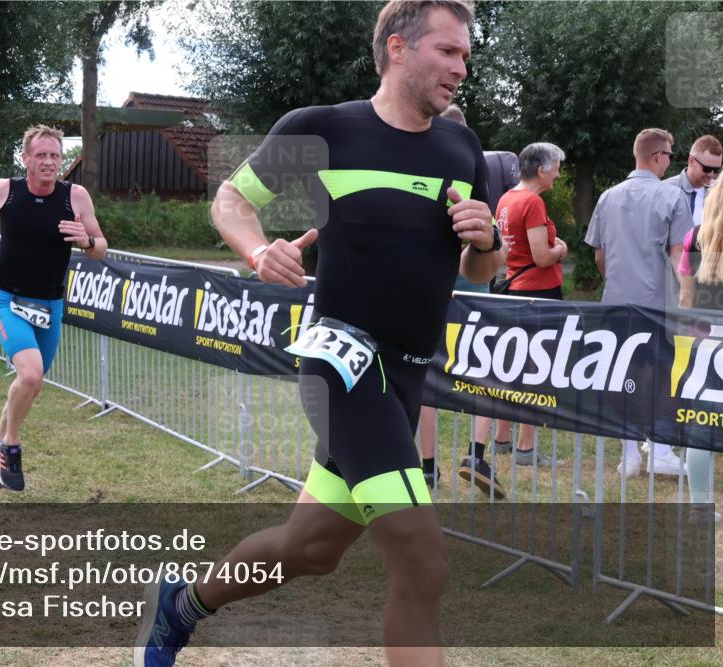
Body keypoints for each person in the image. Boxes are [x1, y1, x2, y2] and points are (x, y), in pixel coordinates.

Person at [135, 2, 503, 665]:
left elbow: (481, 268)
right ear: (398, 47)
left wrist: (487, 241)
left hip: (407, 378)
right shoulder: (325, 129)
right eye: (448, 52)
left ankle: (182, 603)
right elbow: (232, 202)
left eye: (466, 56)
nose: (461, 68)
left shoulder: (462, 147)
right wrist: (258, 251)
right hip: (342, 369)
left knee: (310, 548)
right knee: (421, 560)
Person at [0, 124, 107, 491]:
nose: (49, 162)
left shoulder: (75, 197)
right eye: (41, 155)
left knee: (31, 384)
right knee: (29, 376)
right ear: (25, 158)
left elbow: (100, 247)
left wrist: (87, 241)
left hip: (50, 304)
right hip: (8, 298)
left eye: (55, 156)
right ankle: (10, 447)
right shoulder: (5, 190)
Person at [457, 143, 569, 491]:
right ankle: (526, 447)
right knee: (534, 370)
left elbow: (505, 250)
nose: (559, 173)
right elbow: (542, 256)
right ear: (542, 169)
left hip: (512, 289)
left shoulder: (506, 199)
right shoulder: (532, 203)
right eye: (557, 167)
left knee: (508, 368)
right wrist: (561, 249)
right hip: (538, 292)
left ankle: (501, 440)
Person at [584, 128, 693, 478]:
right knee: (664, 375)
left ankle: (629, 454)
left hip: (617, 304)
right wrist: (689, 295)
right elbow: (679, 257)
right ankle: (660, 449)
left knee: (623, 375)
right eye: (670, 155)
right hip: (658, 305)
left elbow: (599, 256)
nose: (670, 162)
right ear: (658, 156)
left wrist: (617, 280)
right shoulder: (673, 197)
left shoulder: (607, 197)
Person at [419, 103, 510, 495]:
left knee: (425, 377)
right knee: (484, 375)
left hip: (434, 296)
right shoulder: (474, 175)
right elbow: (489, 247)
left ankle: (427, 466)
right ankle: (475, 455)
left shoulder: (421, 174)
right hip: (474, 297)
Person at [677, 163, 723, 530]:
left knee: (700, 429)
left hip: (702, 345)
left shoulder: (695, 237)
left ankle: (699, 509)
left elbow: (686, 299)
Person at [664, 135, 723, 227]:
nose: (711, 174)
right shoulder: (665, 190)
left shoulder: (719, 191)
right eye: (707, 169)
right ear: (691, 161)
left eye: (716, 170)